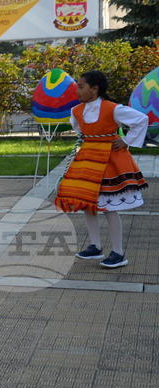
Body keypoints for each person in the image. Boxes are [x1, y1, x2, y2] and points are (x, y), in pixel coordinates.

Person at [56, 70, 148, 269]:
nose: (77, 91)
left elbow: (141, 120)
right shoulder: (76, 111)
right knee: (87, 203)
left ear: (94, 89)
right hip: (88, 160)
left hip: (110, 161)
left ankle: (118, 252)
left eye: (81, 87)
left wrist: (126, 141)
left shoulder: (113, 109)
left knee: (109, 207)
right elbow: (81, 131)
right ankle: (95, 246)